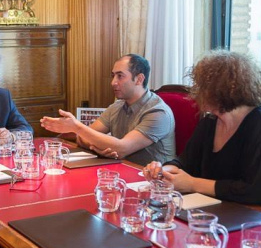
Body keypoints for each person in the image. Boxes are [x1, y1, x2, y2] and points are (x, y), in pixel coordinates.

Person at [143, 50, 261, 218]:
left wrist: (191, 184)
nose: (196, 93)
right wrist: (165, 169)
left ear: (224, 90)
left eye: (202, 87)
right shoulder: (210, 122)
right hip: (222, 211)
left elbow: (254, 191)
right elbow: (185, 161)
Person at [40, 54, 176, 166]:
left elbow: (122, 148)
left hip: (152, 183)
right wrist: (101, 147)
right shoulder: (117, 106)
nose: (113, 82)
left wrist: (77, 127)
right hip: (120, 169)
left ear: (139, 79)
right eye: (113, 76)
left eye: (120, 76)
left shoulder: (158, 113)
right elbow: (85, 137)